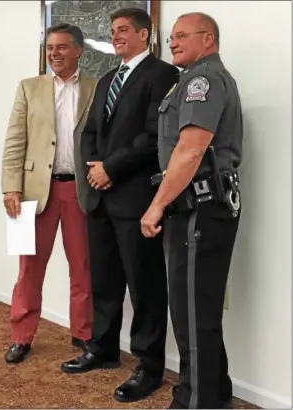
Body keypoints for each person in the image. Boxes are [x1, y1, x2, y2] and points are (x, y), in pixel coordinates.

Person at [60, 7, 179, 403]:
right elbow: (90, 130)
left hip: (135, 197)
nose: (116, 36)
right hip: (101, 197)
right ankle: (103, 348)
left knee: (145, 284)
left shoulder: (162, 75)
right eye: (113, 31)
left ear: (146, 34)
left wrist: (110, 167)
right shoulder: (110, 78)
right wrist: (96, 168)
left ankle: (148, 365)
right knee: (105, 280)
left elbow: (153, 137)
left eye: (124, 29)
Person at [141, 12, 243, 410]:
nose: (174, 42)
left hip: (200, 207)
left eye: (183, 36)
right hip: (201, 206)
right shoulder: (192, 80)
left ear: (209, 39)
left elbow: (191, 150)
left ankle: (195, 402)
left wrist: (156, 206)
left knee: (191, 316)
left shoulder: (203, 80)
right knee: (197, 311)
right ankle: (214, 395)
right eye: (171, 38)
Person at [1, 23, 97, 364]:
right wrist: (10, 186)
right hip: (31, 193)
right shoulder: (29, 88)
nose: (54, 53)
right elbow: (15, 140)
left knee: (83, 268)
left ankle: (84, 334)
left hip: (80, 190)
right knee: (28, 268)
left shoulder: (95, 88)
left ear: (78, 51)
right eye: (49, 48)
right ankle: (21, 336)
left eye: (61, 47)